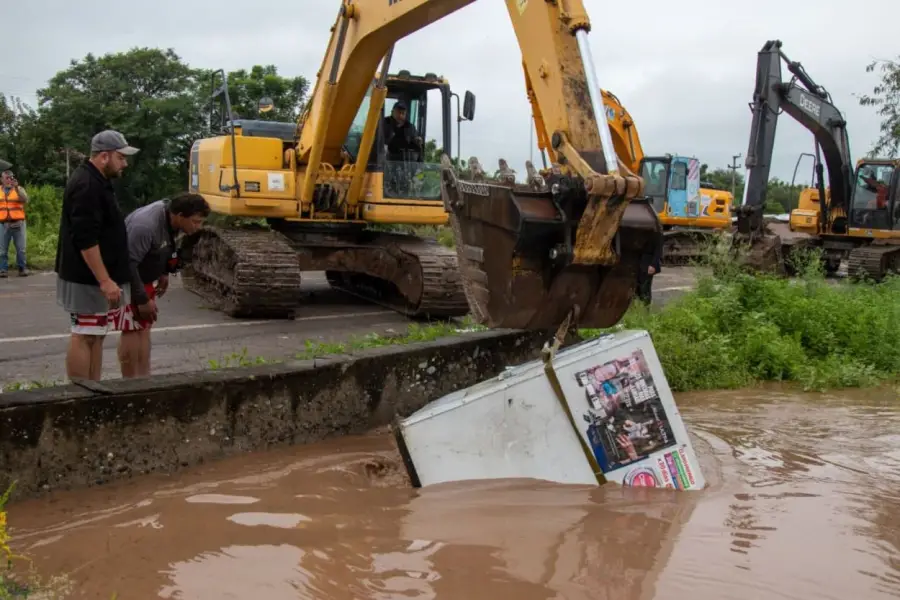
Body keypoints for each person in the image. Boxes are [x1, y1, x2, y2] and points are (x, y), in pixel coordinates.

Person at [55, 130, 139, 381]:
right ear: (104, 156)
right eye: (121, 158)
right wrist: (105, 280)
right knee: (85, 333)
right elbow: (86, 239)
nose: (124, 163)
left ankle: (93, 390)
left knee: (97, 333)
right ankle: (81, 394)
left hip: (95, 277)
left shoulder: (97, 181)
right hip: (87, 278)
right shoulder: (87, 185)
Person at [116, 193, 210, 378]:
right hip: (130, 280)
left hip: (146, 277)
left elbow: (166, 245)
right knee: (131, 329)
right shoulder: (145, 226)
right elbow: (127, 263)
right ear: (180, 215)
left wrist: (164, 272)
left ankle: (143, 379)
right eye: (195, 221)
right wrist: (141, 298)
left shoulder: (170, 219)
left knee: (143, 329)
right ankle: (128, 382)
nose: (198, 227)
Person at [0, 169, 30, 277]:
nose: (9, 180)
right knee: (2, 250)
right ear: (2, 179)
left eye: (11, 178)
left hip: (18, 223)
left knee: (21, 249)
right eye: (6, 178)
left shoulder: (19, 189)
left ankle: (22, 268)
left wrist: (16, 188)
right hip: (3, 224)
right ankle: (3, 270)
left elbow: (25, 200)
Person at [637, 228, 663, 306]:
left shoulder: (656, 234)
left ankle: (646, 307)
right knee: (637, 286)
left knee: (645, 287)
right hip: (638, 262)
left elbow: (658, 250)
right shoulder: (640, 232)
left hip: (648, 264)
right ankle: (639, 305)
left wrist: (653, 265)